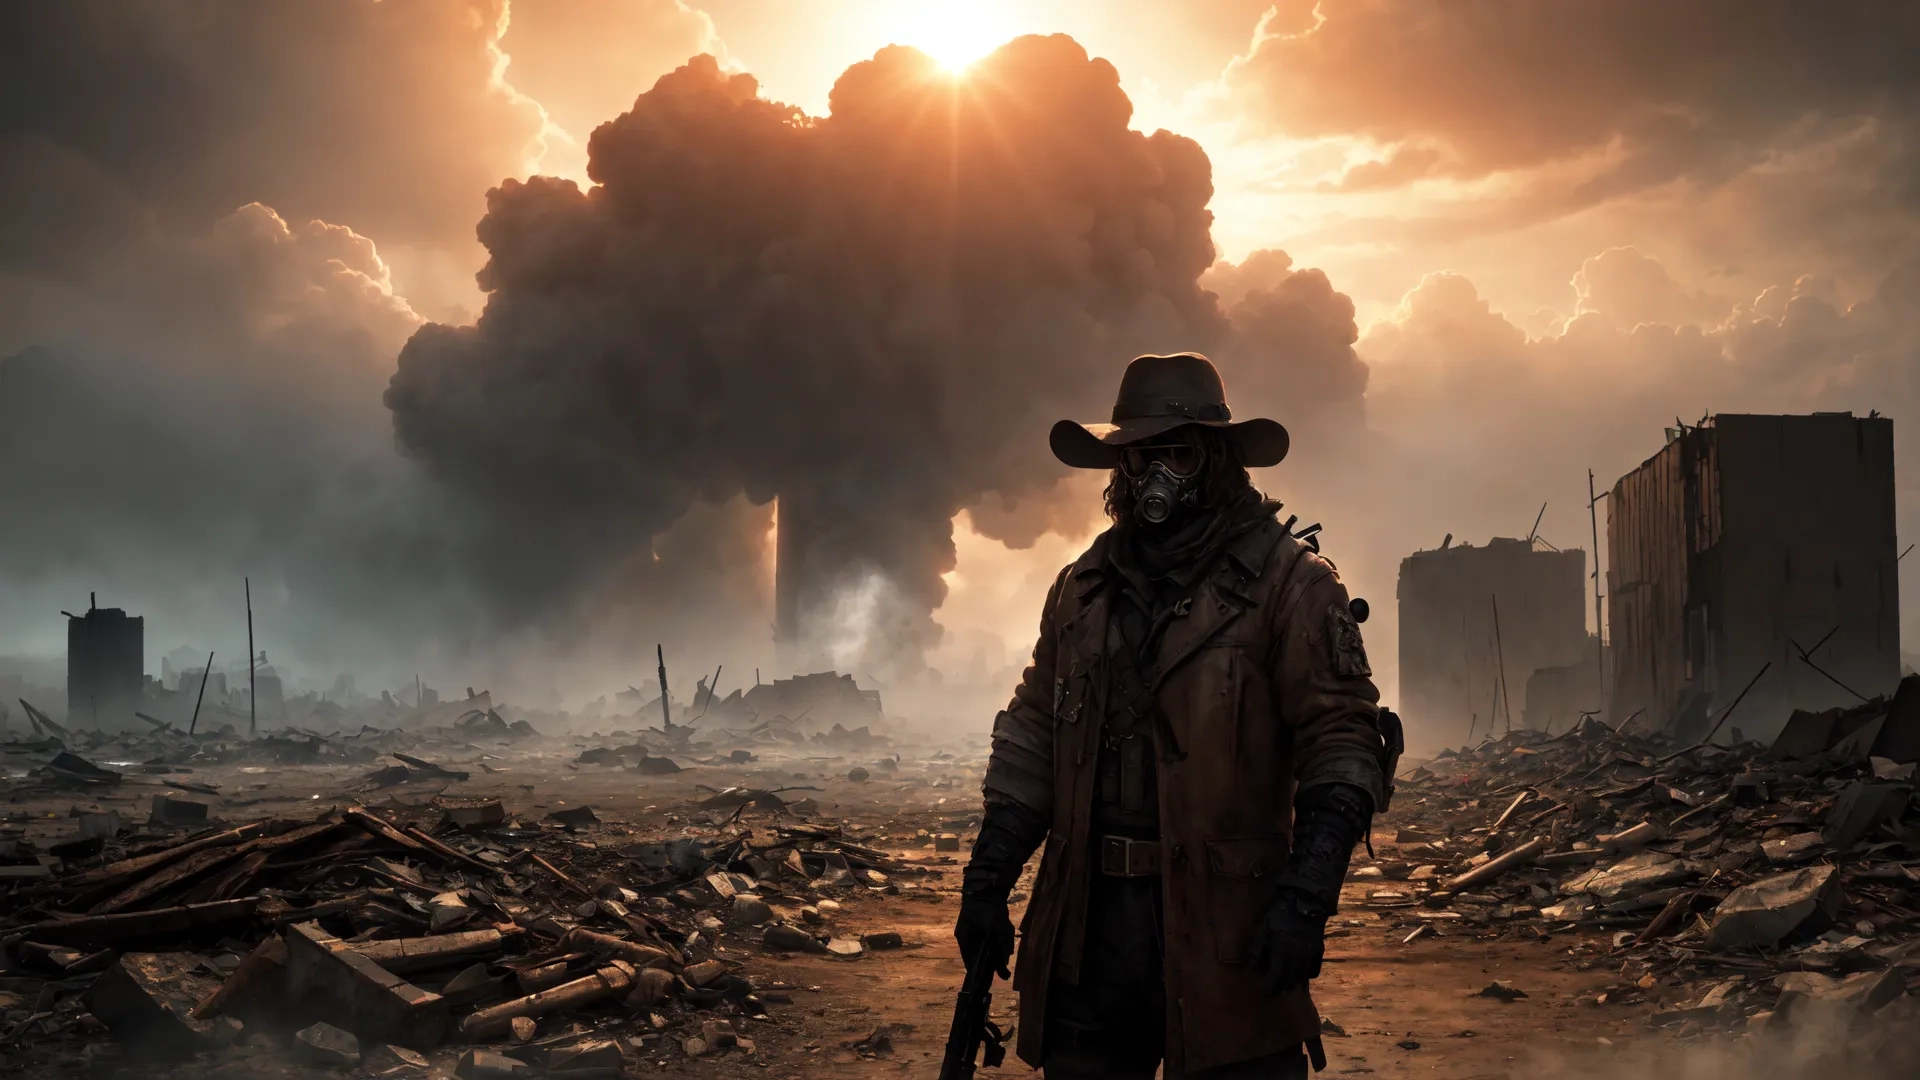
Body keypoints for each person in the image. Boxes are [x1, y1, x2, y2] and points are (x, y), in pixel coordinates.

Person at [956, 353, 1390, 1078]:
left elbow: (1341, 744)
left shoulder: (1291, 586)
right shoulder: (1082, 589)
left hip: (1229, 931)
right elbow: (1035, 739)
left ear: (1217, 460)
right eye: (1139, 456)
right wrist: (987, 880)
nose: (1154, 475)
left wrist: (1308, 897)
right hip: (1089, 933)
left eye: (1177, 453)